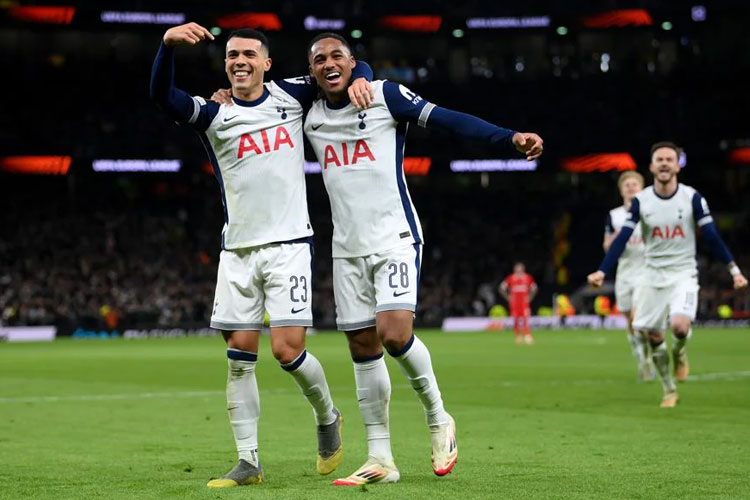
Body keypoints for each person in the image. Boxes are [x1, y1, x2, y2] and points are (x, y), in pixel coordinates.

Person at [303, 33, 544, 485]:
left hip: (393, 235)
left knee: (394, 335)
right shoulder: (308, 112)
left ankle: (438, 417)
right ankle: (380, 458)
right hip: (345, 247)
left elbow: (450, 119)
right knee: (361, 347)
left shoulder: (384, 95)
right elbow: (262, 98)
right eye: (319, 59)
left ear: (354, 61)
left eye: (338, 56)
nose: (329, 64)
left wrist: (508, 137)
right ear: (311, 69)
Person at [149, 22, 374, 488]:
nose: (239, 61)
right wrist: (166, 48)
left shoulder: (290, 96)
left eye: (249, 54)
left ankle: (327, 415)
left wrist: (361, 75)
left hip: (289, 245)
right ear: (225, 63)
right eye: (232, 55)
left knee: (287, 350)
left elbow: (341, 69)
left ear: (266, 63)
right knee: (238, 356)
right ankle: (248, 461)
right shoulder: (213, 113)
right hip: (237, 252)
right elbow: (162, 97)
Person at [588, 142, 747, 407]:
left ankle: (680, 353)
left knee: (679, 326)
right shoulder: (642, 201)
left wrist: (734, 270)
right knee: (653, 336)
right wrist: (602, 270)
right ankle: (669, 389)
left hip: (683, 273)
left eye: (669, 159)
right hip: (652, 275)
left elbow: (711, 236)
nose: (664, 163)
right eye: (659, 159)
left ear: (677, 166)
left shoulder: (692, 197)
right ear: (651, 167)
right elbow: (623, 237)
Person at [603, 171, 655, 381]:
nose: (631, 188)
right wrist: (616, 237)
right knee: (628, 319)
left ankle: (647, 360)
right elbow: (607, 247)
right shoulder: (614, 216)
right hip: (624, 270)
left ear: (642, 188)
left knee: (636, 319)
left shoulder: (651, 212)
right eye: (627, 185)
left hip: (645, 270)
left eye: (635, 184)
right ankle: (642, 357)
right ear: (621, 190)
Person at [499, 262, 538, 345]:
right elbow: (501, 288)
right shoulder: (511, 278)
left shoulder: (527, 278)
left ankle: (527, 336)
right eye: (517, 270)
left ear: (523, 270)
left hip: (524, 302)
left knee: (525, 318)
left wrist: (530, 297)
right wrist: (508, 297)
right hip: (515, 302)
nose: (518, 271)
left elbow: (534, 288)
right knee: (516, 319)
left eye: (520, 270)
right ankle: (518, 336)